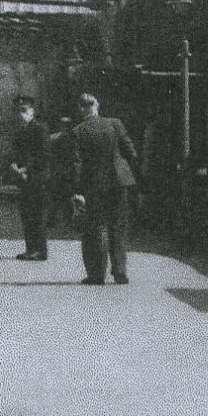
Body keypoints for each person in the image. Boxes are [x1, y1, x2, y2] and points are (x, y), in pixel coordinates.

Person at [68, 92, 138, 285]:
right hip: (120, 181)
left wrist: (77, 190)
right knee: (119, 226)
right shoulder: (115, 124)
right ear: (97, 106)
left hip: (95, 184)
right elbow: (131, 151)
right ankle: (120, 272)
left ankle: (97, 275)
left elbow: (76, 164)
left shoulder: (78, 131)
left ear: (81, 109)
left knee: (96, 227)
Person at [7, 97, 51, 260]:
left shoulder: (40, 129)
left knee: (37, 215)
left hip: (38, 178)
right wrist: (13, 166)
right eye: (19, 111)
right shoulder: (20, 131)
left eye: (24, 111)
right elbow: (16, 154)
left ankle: (40, 250)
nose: (21, 114)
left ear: (32, 111)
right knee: (26, 214)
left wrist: (25, 169)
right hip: (24, 179)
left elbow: (44, 155)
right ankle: (30, 248)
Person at [46, 116, 77, 230]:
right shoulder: (72, 138)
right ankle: (69, 221)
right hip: (67, 172)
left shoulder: (52, 137)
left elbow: (48, 156)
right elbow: (74, 156)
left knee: (55, 198)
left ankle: (51, 221)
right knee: (68, 198)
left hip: (56, 172)